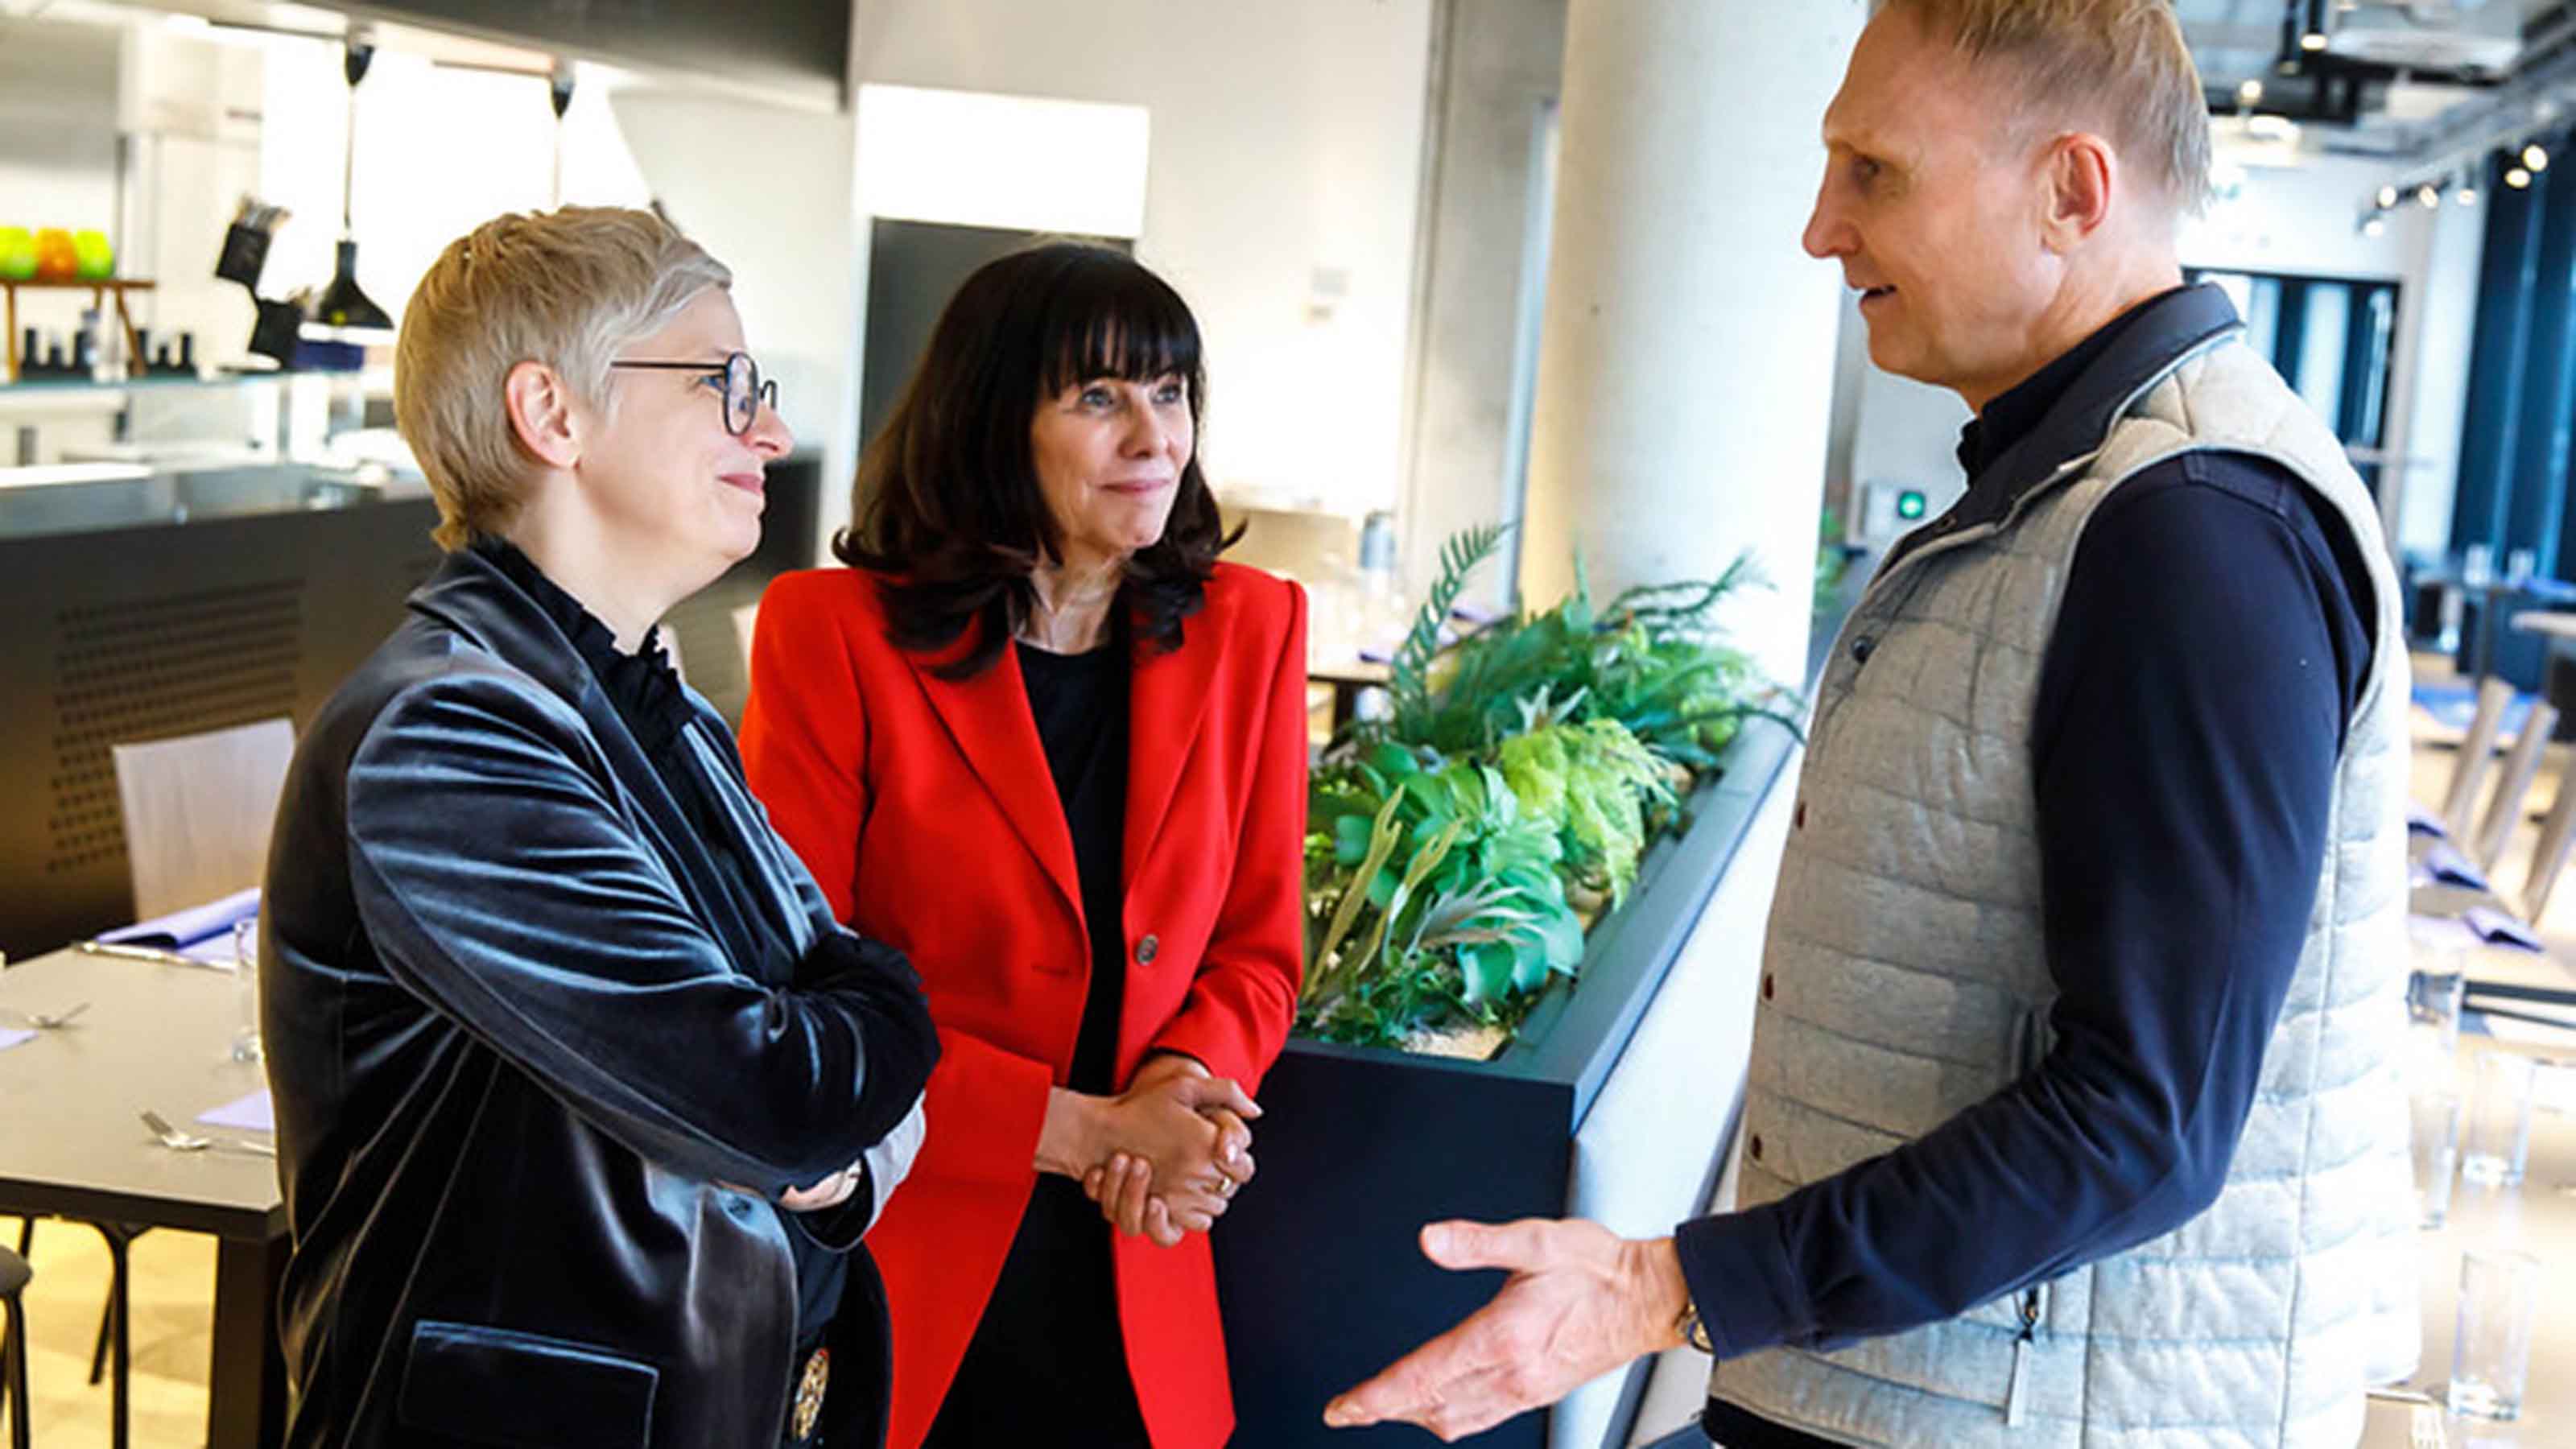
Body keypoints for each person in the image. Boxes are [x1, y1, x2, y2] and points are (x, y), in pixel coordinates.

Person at [1327, 2, 2417, 1444]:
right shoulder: (2082, 488)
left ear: (2071, 193)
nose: (1820, 230)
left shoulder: (2192, 530)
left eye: (1875, 173)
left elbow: (2144, 1123)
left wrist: (1670, 1291)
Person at [262, 205, 939, 1449]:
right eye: (723, 387)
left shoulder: (645, 697)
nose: (772, 432)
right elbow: (779, 1091)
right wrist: (880, 1025)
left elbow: (821, 1036)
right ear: (553, 414)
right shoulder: (448, 735)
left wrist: (847, 1077)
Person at [739, 242, 1307, 1449]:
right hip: (908, 1253)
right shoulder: (833, 635)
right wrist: (1085, 1131)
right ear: (993, 423)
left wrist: (1173, 1099)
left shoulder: (1253, 630)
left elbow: (1257, 952)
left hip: (1139, 1259)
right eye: (1098, 398)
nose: (1153, 438)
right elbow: (794, 994)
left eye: (1170, 394)